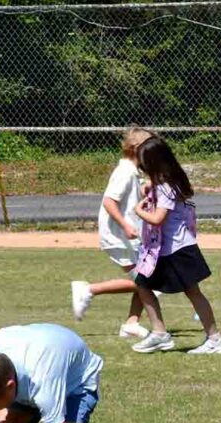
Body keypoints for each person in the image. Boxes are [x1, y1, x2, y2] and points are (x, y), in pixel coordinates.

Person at [131, 135, 221, 355]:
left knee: (190, 291)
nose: (142, 169)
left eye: (144, 165)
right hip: (165, 249)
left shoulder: (166, 188)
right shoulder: (167, 183)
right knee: (143, 285)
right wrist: (148, 188)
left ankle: (214, 339)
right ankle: (160, 334)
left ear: (154, 164)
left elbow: (157, 219)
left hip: (176, 250)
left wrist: (138, 210)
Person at [71, 126, 153, 335]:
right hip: (119, 237)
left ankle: (131, 324)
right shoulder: (125, 173)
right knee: (145, 281)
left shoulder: (133, 173)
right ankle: (88, 290)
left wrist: (144, 190)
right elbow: (109, 202)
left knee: (147, 280)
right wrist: (126, 225)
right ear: (138, 149)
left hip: (129, 236)